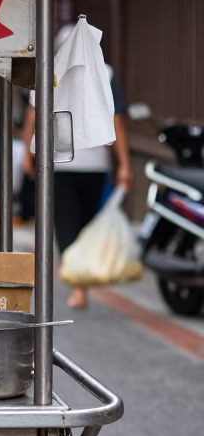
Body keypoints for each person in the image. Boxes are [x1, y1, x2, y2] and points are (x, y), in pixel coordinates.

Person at [23, 27, 132, 310]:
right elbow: (117, 119)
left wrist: (27, 152)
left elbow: (33, 115)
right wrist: (125, 164)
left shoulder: (50, 71)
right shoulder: (104, 72)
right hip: (94, 164)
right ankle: (80, 282)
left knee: (67, 223)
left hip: (61, 162)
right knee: (85, 222)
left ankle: (78, 283)